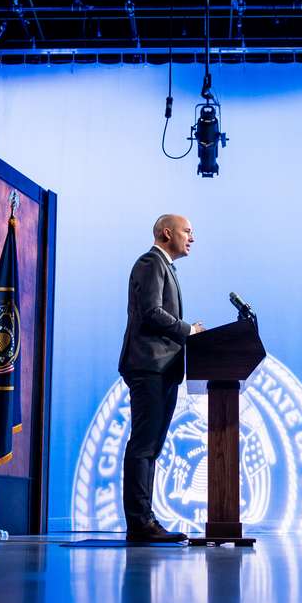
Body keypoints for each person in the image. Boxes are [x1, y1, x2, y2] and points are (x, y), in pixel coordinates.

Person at [117, 215, 204, 543]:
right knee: (144, 445)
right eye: (187, 232)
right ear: (167, 233)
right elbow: (151, 312)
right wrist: (188, 330)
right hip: (148, 367)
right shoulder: (150, 262)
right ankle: (140, 523)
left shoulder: (165, 266)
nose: (192, 238)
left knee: (150, 446)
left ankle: (144, 520)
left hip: (161, 368)